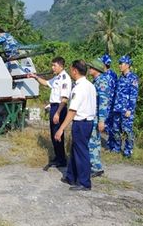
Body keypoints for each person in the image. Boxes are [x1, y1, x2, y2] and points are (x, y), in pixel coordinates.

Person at [55, 60, 96, 191]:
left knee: (81, 153)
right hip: (88, 122)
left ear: (74, 71)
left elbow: (72, 111)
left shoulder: (79, 88)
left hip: (81, 123)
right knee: (75, 150)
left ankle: (84, 182)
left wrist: (61, 129)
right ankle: (71, 176)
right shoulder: (90, 85)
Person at [28, 57, 71, 168]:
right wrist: (35, 77)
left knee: (58, 134)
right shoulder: (57, 78)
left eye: (54, 65)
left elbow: (64, 99)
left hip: (59, 108)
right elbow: (46, 83)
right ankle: (58, 156)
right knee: (53, 133)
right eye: (52, 65)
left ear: (61, 66)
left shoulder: (65, 79)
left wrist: (57, 112)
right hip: (54, 107)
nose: (52, 68)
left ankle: (62, 160)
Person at [111, 55, 139, 158]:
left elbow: (133, 95)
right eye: (119, 63)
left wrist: (130, 110)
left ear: (127, 65)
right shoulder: (120, 78)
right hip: (117, 108)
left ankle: (128, 151)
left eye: (121, 63)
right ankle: (117, 148)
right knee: (116, 129)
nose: (119, 66)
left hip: (126, 110)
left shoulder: (133, 78)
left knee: (127, 130)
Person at [87, 58, 110, 178]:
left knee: (93, 142)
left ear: (96, 69)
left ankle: (96, 167)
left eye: (91, 67)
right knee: (93, 141)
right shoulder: (95, 81)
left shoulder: (102, 82)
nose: (89, 69)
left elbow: (103, 102)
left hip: (97, 116)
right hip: (93, 115)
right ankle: (94, 166)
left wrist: (102, 120)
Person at [100, 54, 118, 150]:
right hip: (103, 103)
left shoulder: (113, 74)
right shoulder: (101, 74)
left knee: (110, 125)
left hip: (110, 104)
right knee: (102, 123)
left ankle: (111, 145)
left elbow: (116, 89)